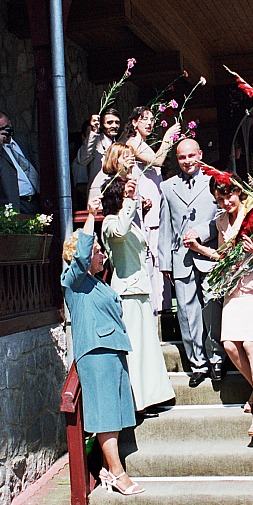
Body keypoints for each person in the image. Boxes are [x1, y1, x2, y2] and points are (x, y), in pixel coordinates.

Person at [182, 175, 253, 437]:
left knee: (250, 344)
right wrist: (199, 248)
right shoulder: (221, 220)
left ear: (239, 193)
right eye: (220, 199)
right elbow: (225, 256)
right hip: (233, 287)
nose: (225, 202)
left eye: (229, 197)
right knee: (229, 346)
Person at [62, 197, 143, 496]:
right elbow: (82, 257)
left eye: (100, 251)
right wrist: (92, 217)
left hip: (112, 351)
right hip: (95, 353)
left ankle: (109, 468)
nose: (102, 255)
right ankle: (118, 474)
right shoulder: (73, 281)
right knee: (106, 414)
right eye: (98, 251)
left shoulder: (99, 284)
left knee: (118, 411)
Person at [101, 176, 175, 413]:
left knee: (147, 348)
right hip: (126, 291)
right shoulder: (110, 222)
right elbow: (119, 234)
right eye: (125, 196)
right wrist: (130, 201)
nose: (131, 200)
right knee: (135, 350)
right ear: (117, 199)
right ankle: (136, 402)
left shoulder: (130, 221)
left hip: (140, 289)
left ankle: (151, 397)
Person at [158, 138, 224, 386]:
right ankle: (198, 363)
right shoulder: (167, 187)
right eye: (182, 157)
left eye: (191, 156)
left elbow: (222, 215)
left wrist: (201, 233)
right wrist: (165, 261)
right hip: (181, 259)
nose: (187, 161)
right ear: (177, 159)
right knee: (187, 313)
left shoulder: (213, 181)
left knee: (212, 308)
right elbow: (165, 225)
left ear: (200, 154)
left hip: (208, 253)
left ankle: (217, 358)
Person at [121, 106, 181, 314]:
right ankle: (153, 304)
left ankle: (161, 302)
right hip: (145, 208)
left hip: (154, 202)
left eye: (152, 119)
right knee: (150, 253)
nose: (149, 123)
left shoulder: (143, 143)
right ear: (134, 122)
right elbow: (158, 160)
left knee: (158, 251)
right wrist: (167, 139)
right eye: (144, 119)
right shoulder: (133, 142)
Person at [0, 111, 41, 214]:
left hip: (35, 201)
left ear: (10, 124)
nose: (5, 132)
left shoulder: (22, 142)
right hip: (14, 205)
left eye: (6, 127)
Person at [78, 106, 121, 186]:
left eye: (117, 122)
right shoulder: (95, 144)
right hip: (99, 194)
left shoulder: (120, 145)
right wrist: (94, 131)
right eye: (109, 122)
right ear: (101, 125)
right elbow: (82, 160)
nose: (114, 126)